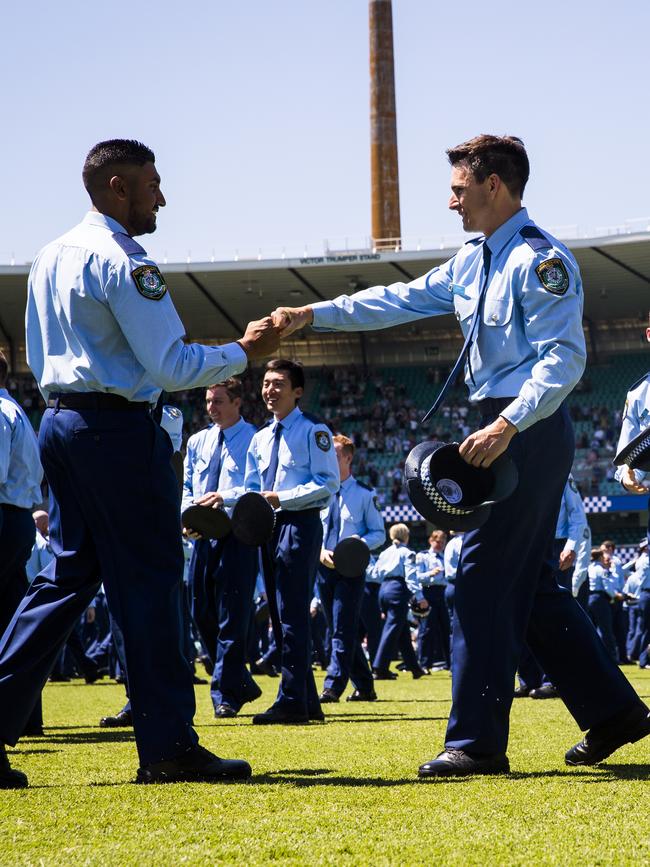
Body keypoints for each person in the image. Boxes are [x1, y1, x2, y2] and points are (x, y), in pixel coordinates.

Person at [272, 134, 650, 777]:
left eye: (458, 188)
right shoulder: (472, 259)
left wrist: (507, 422)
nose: (450, 201)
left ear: (493, 185)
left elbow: (565, 359)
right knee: (528, 585)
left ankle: (474, 743)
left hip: (527, 424)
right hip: (499, 423)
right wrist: (314, 313)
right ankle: (615, 712)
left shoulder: (542, 261)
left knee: (475, 573)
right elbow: (396, 298)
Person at [0, 139, 280, 788]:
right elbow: (172, 366)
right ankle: (169, 744)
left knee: (63, 581)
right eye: (153, 183)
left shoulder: (48, 257)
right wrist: (245, 349)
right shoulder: (125, 260)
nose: (162, 196)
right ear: (119, 187)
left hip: (62, 423)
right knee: (152, 585)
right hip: (120, 431)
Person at [245, 359, 339, 724]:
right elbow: (255, 488)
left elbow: (328, 483)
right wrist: (224, 500)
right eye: (266, 383)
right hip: (266, 525)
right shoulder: (260, 438)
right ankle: (307, 702)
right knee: (282, 613)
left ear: (297, 391)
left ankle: (290, 700)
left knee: (293, 613)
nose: (269, 390)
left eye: (278, 384)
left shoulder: (314, 430)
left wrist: (282, 498)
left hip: (298, 523)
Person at [182, 379, 260, 718]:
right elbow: (186, 485)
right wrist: (186, 516)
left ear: (237, 402)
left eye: (218, 401)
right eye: (208, 402)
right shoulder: (198, 441)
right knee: (200, 612)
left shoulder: (256, 439)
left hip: (237, 534)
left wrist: (224, 497)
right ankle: (239, 681)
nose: (211, 408)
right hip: (201, 535)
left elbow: (258, 488)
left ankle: (226, 695)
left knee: (232, 615)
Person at [0, 353, 45, 774]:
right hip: (15, 518)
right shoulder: (12, 408)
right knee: (15, 617)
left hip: (2, 513)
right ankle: (25, 714)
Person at [317, 434, 385, 703]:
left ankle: (333, 685)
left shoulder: (364, 494)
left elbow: (379, 534)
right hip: (323, 567)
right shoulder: (320, 491)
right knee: (337, 627)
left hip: (351, 570)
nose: (329, 461)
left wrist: (359, 543)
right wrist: (320, 551)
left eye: (334, 455)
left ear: (348, 458)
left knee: (342, 629)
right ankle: (366, 687)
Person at [372, 523, 428, 680]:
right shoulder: (407, 552)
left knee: (401, 630)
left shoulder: (384, 553)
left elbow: (376, 573)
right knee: (392, 629)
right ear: (406, 536)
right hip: (398, 589)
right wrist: (420, 597)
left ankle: (414, 667)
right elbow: (411, 576)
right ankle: (379, 667)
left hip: (383, 589)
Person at [415, 530, 450, 672]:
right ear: (431, 540)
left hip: (443, 592)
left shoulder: (445, 557)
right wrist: (431, 573)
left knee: (447, 628)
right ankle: (424, 664)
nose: (440, 544)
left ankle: (450, 663)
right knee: (427, 629)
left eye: (442, 542)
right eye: (438, 541)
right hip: (428, 592)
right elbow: (417, 576)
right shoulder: (422, 556)